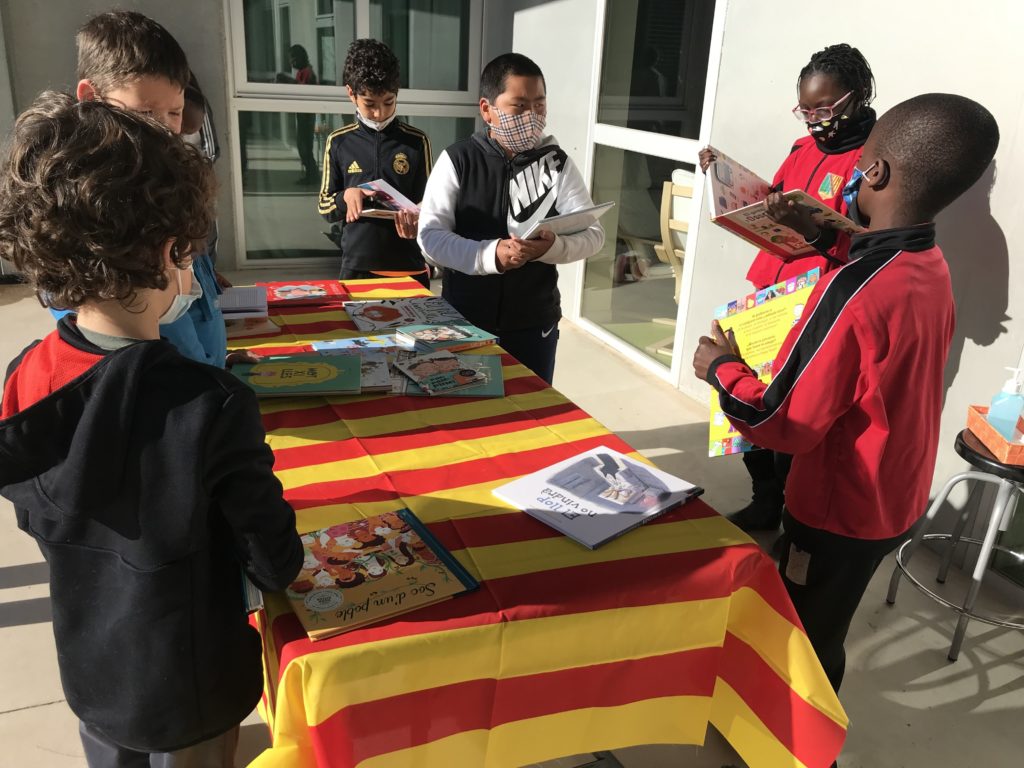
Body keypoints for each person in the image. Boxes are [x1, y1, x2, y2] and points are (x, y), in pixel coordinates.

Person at [0, 93, 304, 768]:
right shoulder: (209, 404)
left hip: (93, 668)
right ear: (171, 251)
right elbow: (273, 559)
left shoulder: (26, 371)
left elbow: (40, 513)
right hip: (192, 683)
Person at [693, 93, 999, 697]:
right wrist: (822, 236)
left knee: (803, 640)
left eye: (859, 165)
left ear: (874, 172)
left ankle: (796, 731)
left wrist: (721, 369)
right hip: (892, 494)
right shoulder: (928, 261)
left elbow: (782, 421)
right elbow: (874, 289)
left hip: (837, 509)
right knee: (824, 619)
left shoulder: (855, 291)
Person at [699, 43, 877, 533]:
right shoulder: (801, 149)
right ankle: (764, 500)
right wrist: (725, 177)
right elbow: (769, 198)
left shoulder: (872, 162)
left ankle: (793, 514)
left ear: (857, 96)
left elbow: (871, 247)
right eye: (805, 111)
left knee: (791, 411)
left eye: (825, 109)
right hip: (770, 291)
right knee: (745, 391)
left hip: (817, 302)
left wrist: (816, 233)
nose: (815, 121)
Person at [417, 53, 605, 384]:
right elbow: (430, 236)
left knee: (532, 407)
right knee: (467, 407)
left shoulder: (557, 164)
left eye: (540, 105)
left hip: (534, 323)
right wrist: (490, 255)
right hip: (464, 320)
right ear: (487, 109)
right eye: (519, 107)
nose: (532, 116)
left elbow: (593, 234)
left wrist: (551, 248)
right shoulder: (458, 160)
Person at [71, 10, 239, 368]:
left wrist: (218, 362)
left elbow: (191, 270)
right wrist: (194, 377)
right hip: (152, 381)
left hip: (205, 373)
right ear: (91, 98)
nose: (164, 131)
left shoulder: (174, 176)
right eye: (146, 114)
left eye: (174, 113)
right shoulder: (79, 201)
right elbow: (94, 332)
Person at [317, 39, 432, 288]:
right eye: (369, 104)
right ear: (351, 94)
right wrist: (346, 196)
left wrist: (418, 216)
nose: (379, 113)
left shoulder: (416, 141)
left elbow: (430, 202)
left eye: (388, 102)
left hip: (408, 266)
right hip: (357, 267)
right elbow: (324, 206)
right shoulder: (339, 142)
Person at [276, 44, 319, 184]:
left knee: (305, 146)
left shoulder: (308, 72)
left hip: (307, 115)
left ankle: (312, 175)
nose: (292, 63)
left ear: (301, 57)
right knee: (302, 145)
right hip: (302, 113)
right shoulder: (302, 72)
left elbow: (305, 90)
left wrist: (288, 80)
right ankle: (310, 174)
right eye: (291, 60)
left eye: (294, 59)